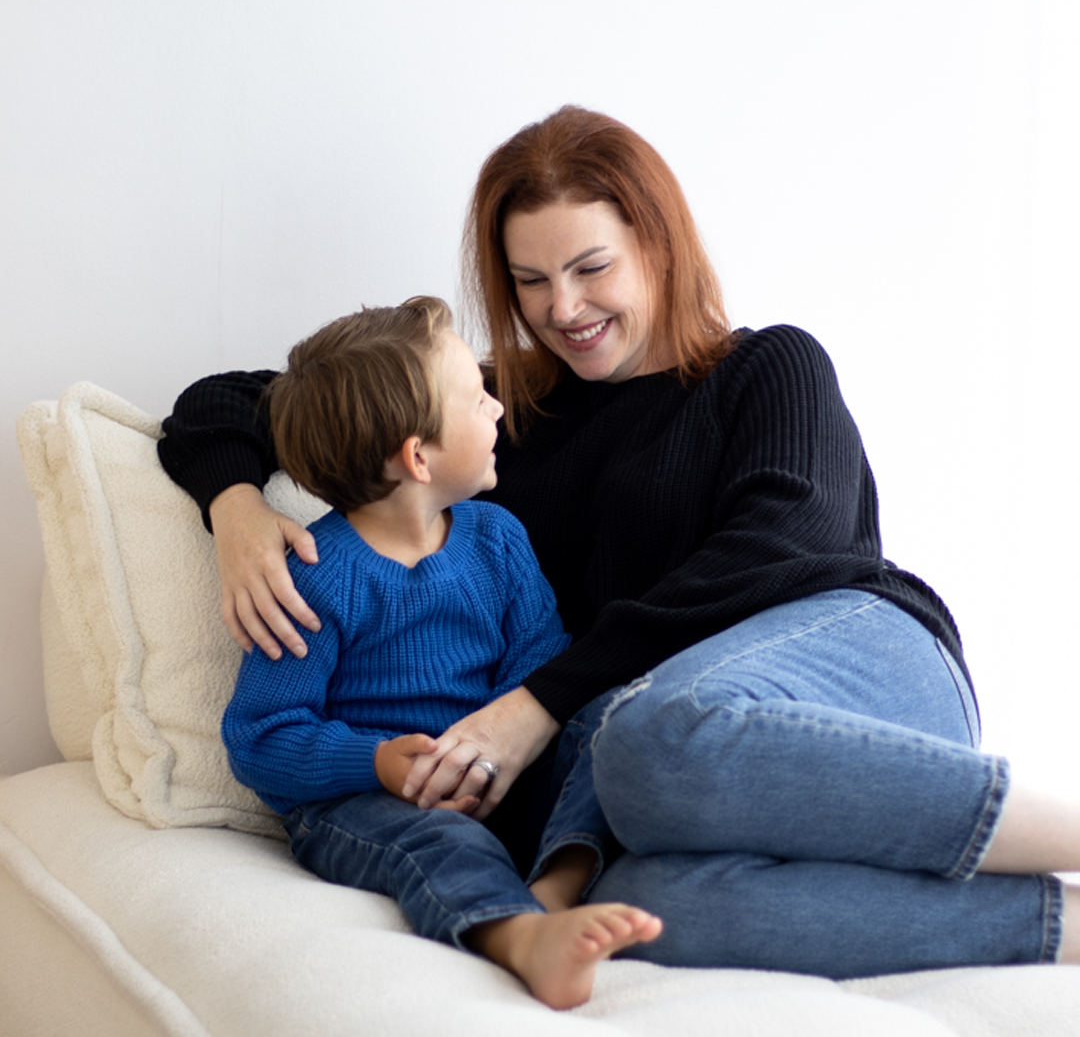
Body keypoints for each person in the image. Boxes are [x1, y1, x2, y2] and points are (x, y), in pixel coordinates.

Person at [160, 105, 1080, 980]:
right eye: (528, 281)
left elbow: (781, 547)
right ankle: (1059, 929)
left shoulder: (768, 368)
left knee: (641, 739)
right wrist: (235, 511)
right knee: (644, 898)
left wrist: (538, 704)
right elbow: (232, 400)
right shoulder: (486, 418)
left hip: (857, 663)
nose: (562, 308)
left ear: (657, 244)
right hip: (662, 761)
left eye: (590, 267)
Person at [221, 296, 660, 1008]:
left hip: (495, 772)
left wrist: (502, 758)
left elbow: (541, 669)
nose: (497, 410)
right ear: (417, 456)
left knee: (612, 725)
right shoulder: (316, 574)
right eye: (477, 398)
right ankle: (517, 937)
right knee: (440, 841)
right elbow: (260, 737)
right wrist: (377, 762)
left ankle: (555, 886)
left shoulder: (497, 539)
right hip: (361, 802)